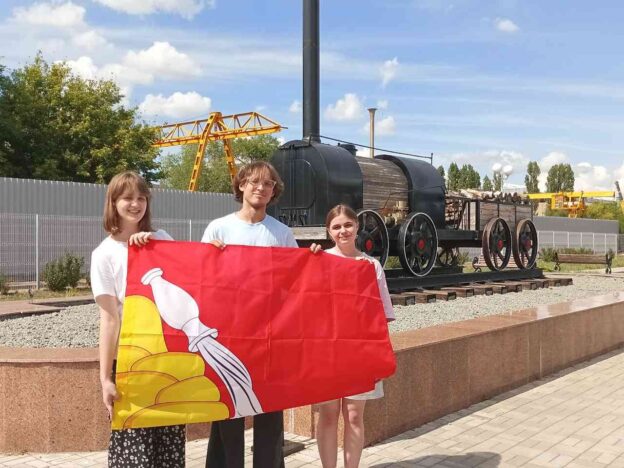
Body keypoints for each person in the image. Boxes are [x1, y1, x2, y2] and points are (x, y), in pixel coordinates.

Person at [201, 161, 297, 468]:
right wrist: (209, 257)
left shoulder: (281, 233)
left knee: (269, 409)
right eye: (255, 182)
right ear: (241, 185)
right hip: (229, 332)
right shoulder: (218, 228)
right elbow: (201, 279)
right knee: (228, 408)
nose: (261, 188)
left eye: (268, 184)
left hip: (269, 334)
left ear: (274, 192)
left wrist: (313, 259)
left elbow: (296, 280)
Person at [90, 171, 186, 467]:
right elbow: (109, 321)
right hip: (131, 361)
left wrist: (155, 249)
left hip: (166, 358)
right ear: (113, 202)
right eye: (128, 197)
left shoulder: (163, 239)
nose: (136, 204)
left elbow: (189, 287)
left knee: (168, 448)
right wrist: (106, 378)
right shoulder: (104, 254)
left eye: (141, 197)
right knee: (134, 449)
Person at [309, 204, 395, 468]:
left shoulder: (371, 265)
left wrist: (379, 355)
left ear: (357, 227)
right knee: (328, 415)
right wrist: (309, 261)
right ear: (328, 231)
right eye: (336, 227)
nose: (342, 231)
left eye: (347, 225)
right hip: (327, 351)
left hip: (360, 351)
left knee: (355, 416)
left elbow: (381, 314)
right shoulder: (319, 261)